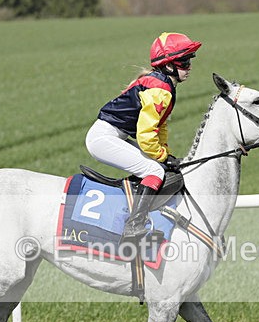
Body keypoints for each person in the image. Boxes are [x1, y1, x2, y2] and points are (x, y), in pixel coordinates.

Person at [86, 32, 201, 248]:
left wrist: (165, 152)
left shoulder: (163, 85)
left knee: (158, 166)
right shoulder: (161, 89)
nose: (189, 67)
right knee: (156, 171)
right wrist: (162, 157)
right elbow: (146, 135)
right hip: (103, 138)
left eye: (189, 61)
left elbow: (160, 126)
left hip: (111, 135)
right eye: (184, 62)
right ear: (168, 66)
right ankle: (133, 227)